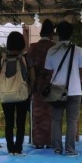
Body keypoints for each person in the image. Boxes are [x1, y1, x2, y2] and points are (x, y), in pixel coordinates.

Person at [44, 21, 82, 156]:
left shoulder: (51, 50)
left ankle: (57, 148)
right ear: (71, 34)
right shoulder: (78, 50)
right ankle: (70, 149)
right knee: (72, 120)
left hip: (57, 90)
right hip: (74, 90)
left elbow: (49, 71)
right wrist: (79, 80)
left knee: (56, 120)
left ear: (57, 34)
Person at [0, 31, 31, 155]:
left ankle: (10, 148)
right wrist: (31, 88)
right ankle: (18, 148)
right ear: (22, 43)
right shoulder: (25, 58)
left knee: (9, 122)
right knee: (20, 122)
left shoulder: (3, 58)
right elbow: (31, 75)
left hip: (6, 94)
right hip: (21, 94)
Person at [27, 19, 56, 148]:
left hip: (36, 85)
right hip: (52, 85)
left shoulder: (32, 48)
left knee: (37, 114)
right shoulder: (54, 47)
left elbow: (28, 68)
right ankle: (50, 142)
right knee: (51, 114)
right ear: (52, 33)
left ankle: (38, 142)